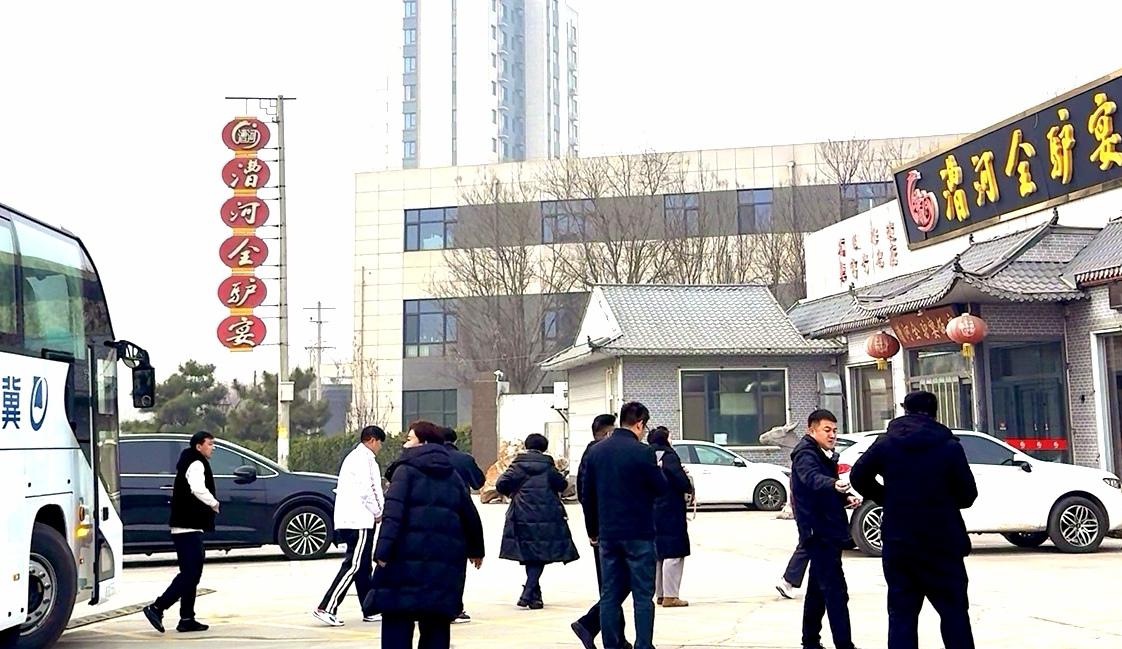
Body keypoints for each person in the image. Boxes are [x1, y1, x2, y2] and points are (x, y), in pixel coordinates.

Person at [850, 391, 978, 649]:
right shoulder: (949, 446)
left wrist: (887, 498)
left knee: (902, 616)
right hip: (943, 543)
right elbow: (968, 495)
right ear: (935, 413)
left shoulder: (886, 444)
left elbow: (858, 476)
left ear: (905, 410)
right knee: (954, 614)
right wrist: (942, 501)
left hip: (900, 543)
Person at [367, 421, 485, 649]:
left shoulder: (405, 471)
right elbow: (470, 515)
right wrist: (476, 550)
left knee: (397, 621)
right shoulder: (452, 475)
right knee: (436, 624)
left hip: (403, 563)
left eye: (409, 439)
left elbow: (393, 515)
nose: (405, 444)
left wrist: (382, 553)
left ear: (424, 443)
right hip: (442, 564)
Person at [580, 402, 667, 649]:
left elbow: (587, 495)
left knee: (609, 594)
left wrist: (592, 530)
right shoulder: (643, 452)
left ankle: (611, 644)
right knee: (642, 595)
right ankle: (643, 645)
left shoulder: (596, 452)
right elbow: (660, 488)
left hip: (608, 533)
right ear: (639, 424)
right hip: (639, 532)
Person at [791, 410, 859, 649]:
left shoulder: (823, 454)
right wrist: (834, 483)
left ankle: (810, 641)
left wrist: (845, 497)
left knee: (817, 591)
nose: (832, 435)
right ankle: (844, 645)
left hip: (827, 529)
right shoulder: (805, 455)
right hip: (818, 532)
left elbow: (824, 491)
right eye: (826, 430)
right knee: (836, 591)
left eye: (835, 430)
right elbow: (811, 479)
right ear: (812, 430)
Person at [143, 431, 220, 634]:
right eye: (210, 444)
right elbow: (197, 488)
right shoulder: (196, 463)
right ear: (199, 446)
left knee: (191, 574)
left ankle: (187, 618)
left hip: (187, 526)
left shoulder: (190, 461)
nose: (212, 448)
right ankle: (157, 607)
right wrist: (213, 503)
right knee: (191, 574)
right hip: (187, 527)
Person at [313, 425, 386, 627]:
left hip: (352, 519)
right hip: (359, 520)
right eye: (379, 443)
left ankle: (370, 609)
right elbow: (368, 490)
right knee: (353, 565)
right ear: (372, 440)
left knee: (363, 567)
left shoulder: (354, 458)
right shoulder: (364, 459)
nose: (379, 448)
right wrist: (378, 512)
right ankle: (326, 607)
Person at [497, 433, 579, 609]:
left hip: (521, 513)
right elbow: (563, 485)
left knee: (530, 552)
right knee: (539, 553)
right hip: (547, 514)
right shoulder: (548, 466)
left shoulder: (517, 465)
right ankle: (528, 592)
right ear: (544, 448)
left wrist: (513, 494)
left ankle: (535, 596)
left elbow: (500, 484)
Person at [572, 414, 632, 649]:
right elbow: (586, 495)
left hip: (605, 529)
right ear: (607, 433)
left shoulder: (593, 454)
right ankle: (589, 624)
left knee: (613, 584)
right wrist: (593, 530)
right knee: (618, 584)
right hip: (607, 532)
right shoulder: (597, 455)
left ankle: (616, 638)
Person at [441, 427, 485, 624]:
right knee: (456, 565)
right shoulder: (463, 459)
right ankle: (455, 608)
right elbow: (478, 483)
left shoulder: (421, 459)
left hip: (429, 515)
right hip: (458, 514)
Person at [647, 426, 693, 608]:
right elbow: (679, 479)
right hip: (671, 508)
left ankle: (660, 593)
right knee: (674, 552)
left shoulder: (646, 455)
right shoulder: (669, 456)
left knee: (659, 553)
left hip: (651, 508)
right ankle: (671, 595)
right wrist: (688, 485)